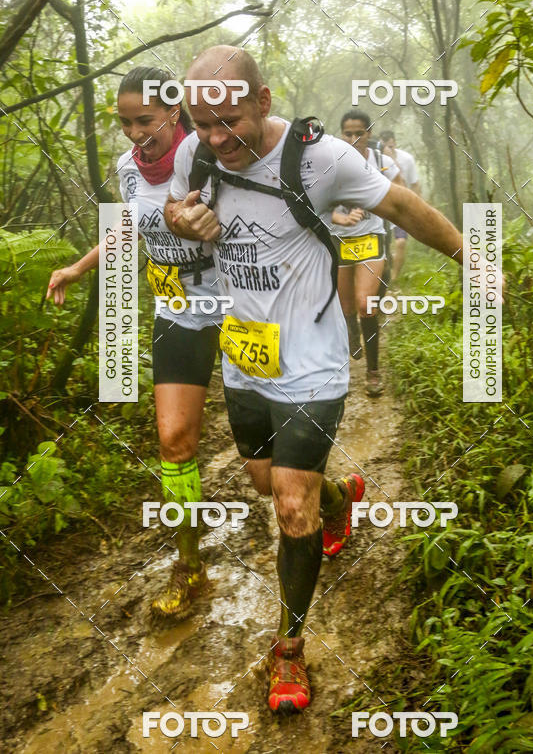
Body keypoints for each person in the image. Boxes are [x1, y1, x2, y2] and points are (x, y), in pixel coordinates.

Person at [165, 45, 464, 716]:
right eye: (203, 124)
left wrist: (473, 258)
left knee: (289, 506)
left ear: (264, 101)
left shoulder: (322, 159)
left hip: (313, 364)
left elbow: (402, 205)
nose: (217, 139)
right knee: (267, 482)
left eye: (230, 122)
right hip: (246, 358)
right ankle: (340, 497)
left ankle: (289, 650)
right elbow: (171, 216)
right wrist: (180, 220)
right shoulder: (195, 155)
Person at [46, 66, 221, 622]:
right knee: (174, 440)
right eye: (125, 122)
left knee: (264, 464)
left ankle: (333, 499)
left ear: (174, 112)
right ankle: (189, 567)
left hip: (240, 302)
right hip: (176, 307)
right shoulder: (127, 168)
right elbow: (126, 229)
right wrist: (77, 268)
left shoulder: (210, 154)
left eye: (144, 120)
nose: (133, 133)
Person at [325, 110, 404, 397]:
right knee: (346, 308)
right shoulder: (329, 163)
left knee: (366, 306)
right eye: (347, 134)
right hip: (339, 241)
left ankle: (373, 372)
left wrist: (392, 217)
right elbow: (317, 203)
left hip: (372, 239)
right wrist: (340, 217)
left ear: (368, 133)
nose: (353, 139)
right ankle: (351, 332)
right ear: (340, 135)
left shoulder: (382, 162)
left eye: (359, 133)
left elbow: (402, 196)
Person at [379, 130, 421, 283]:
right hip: (382, 208)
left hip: (402, 208)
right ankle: (384, 272)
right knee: (383, 246)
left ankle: (394, 278)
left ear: (395, 143)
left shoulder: (407, 159)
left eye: (391, 146)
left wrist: (415, 207)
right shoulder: (375, 159)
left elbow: (415, 184)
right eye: (384, 147)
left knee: (401, 242)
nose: (388, 150)